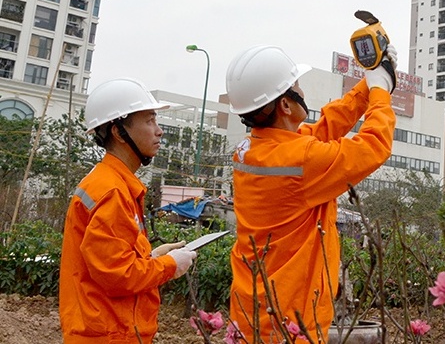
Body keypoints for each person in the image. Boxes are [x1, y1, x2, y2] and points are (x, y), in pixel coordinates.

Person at [225, 45, 397, 342]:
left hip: (253, 309)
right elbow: (373, 146)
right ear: (286, 106)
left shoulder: (256, 150)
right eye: (296, 87)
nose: (302, 91)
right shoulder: (298, 159)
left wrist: (369, 82)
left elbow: (324, 129)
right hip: (291, 321)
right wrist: (381, 93)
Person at [59, 78, 197, 343]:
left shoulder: (113, 183)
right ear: (119, 132)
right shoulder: (112, 191)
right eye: (149, 121)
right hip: (108, 334)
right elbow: (117, 275)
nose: (159, 131)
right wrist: (169, 265)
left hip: (106, 329)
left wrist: (152, 256)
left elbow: (110, 260)